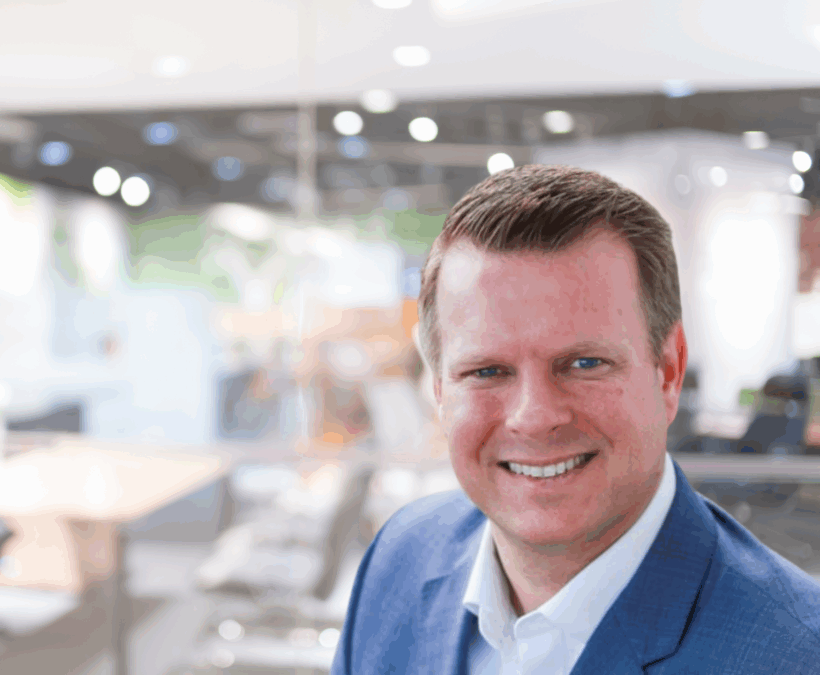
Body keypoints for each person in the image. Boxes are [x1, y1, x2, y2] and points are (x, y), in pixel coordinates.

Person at [331, 165, 820, 674]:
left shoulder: (796, 655)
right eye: (487, 371)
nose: (535, 417)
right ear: (439, 390)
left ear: (668, 372)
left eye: (585, 364)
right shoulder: (399, 558)